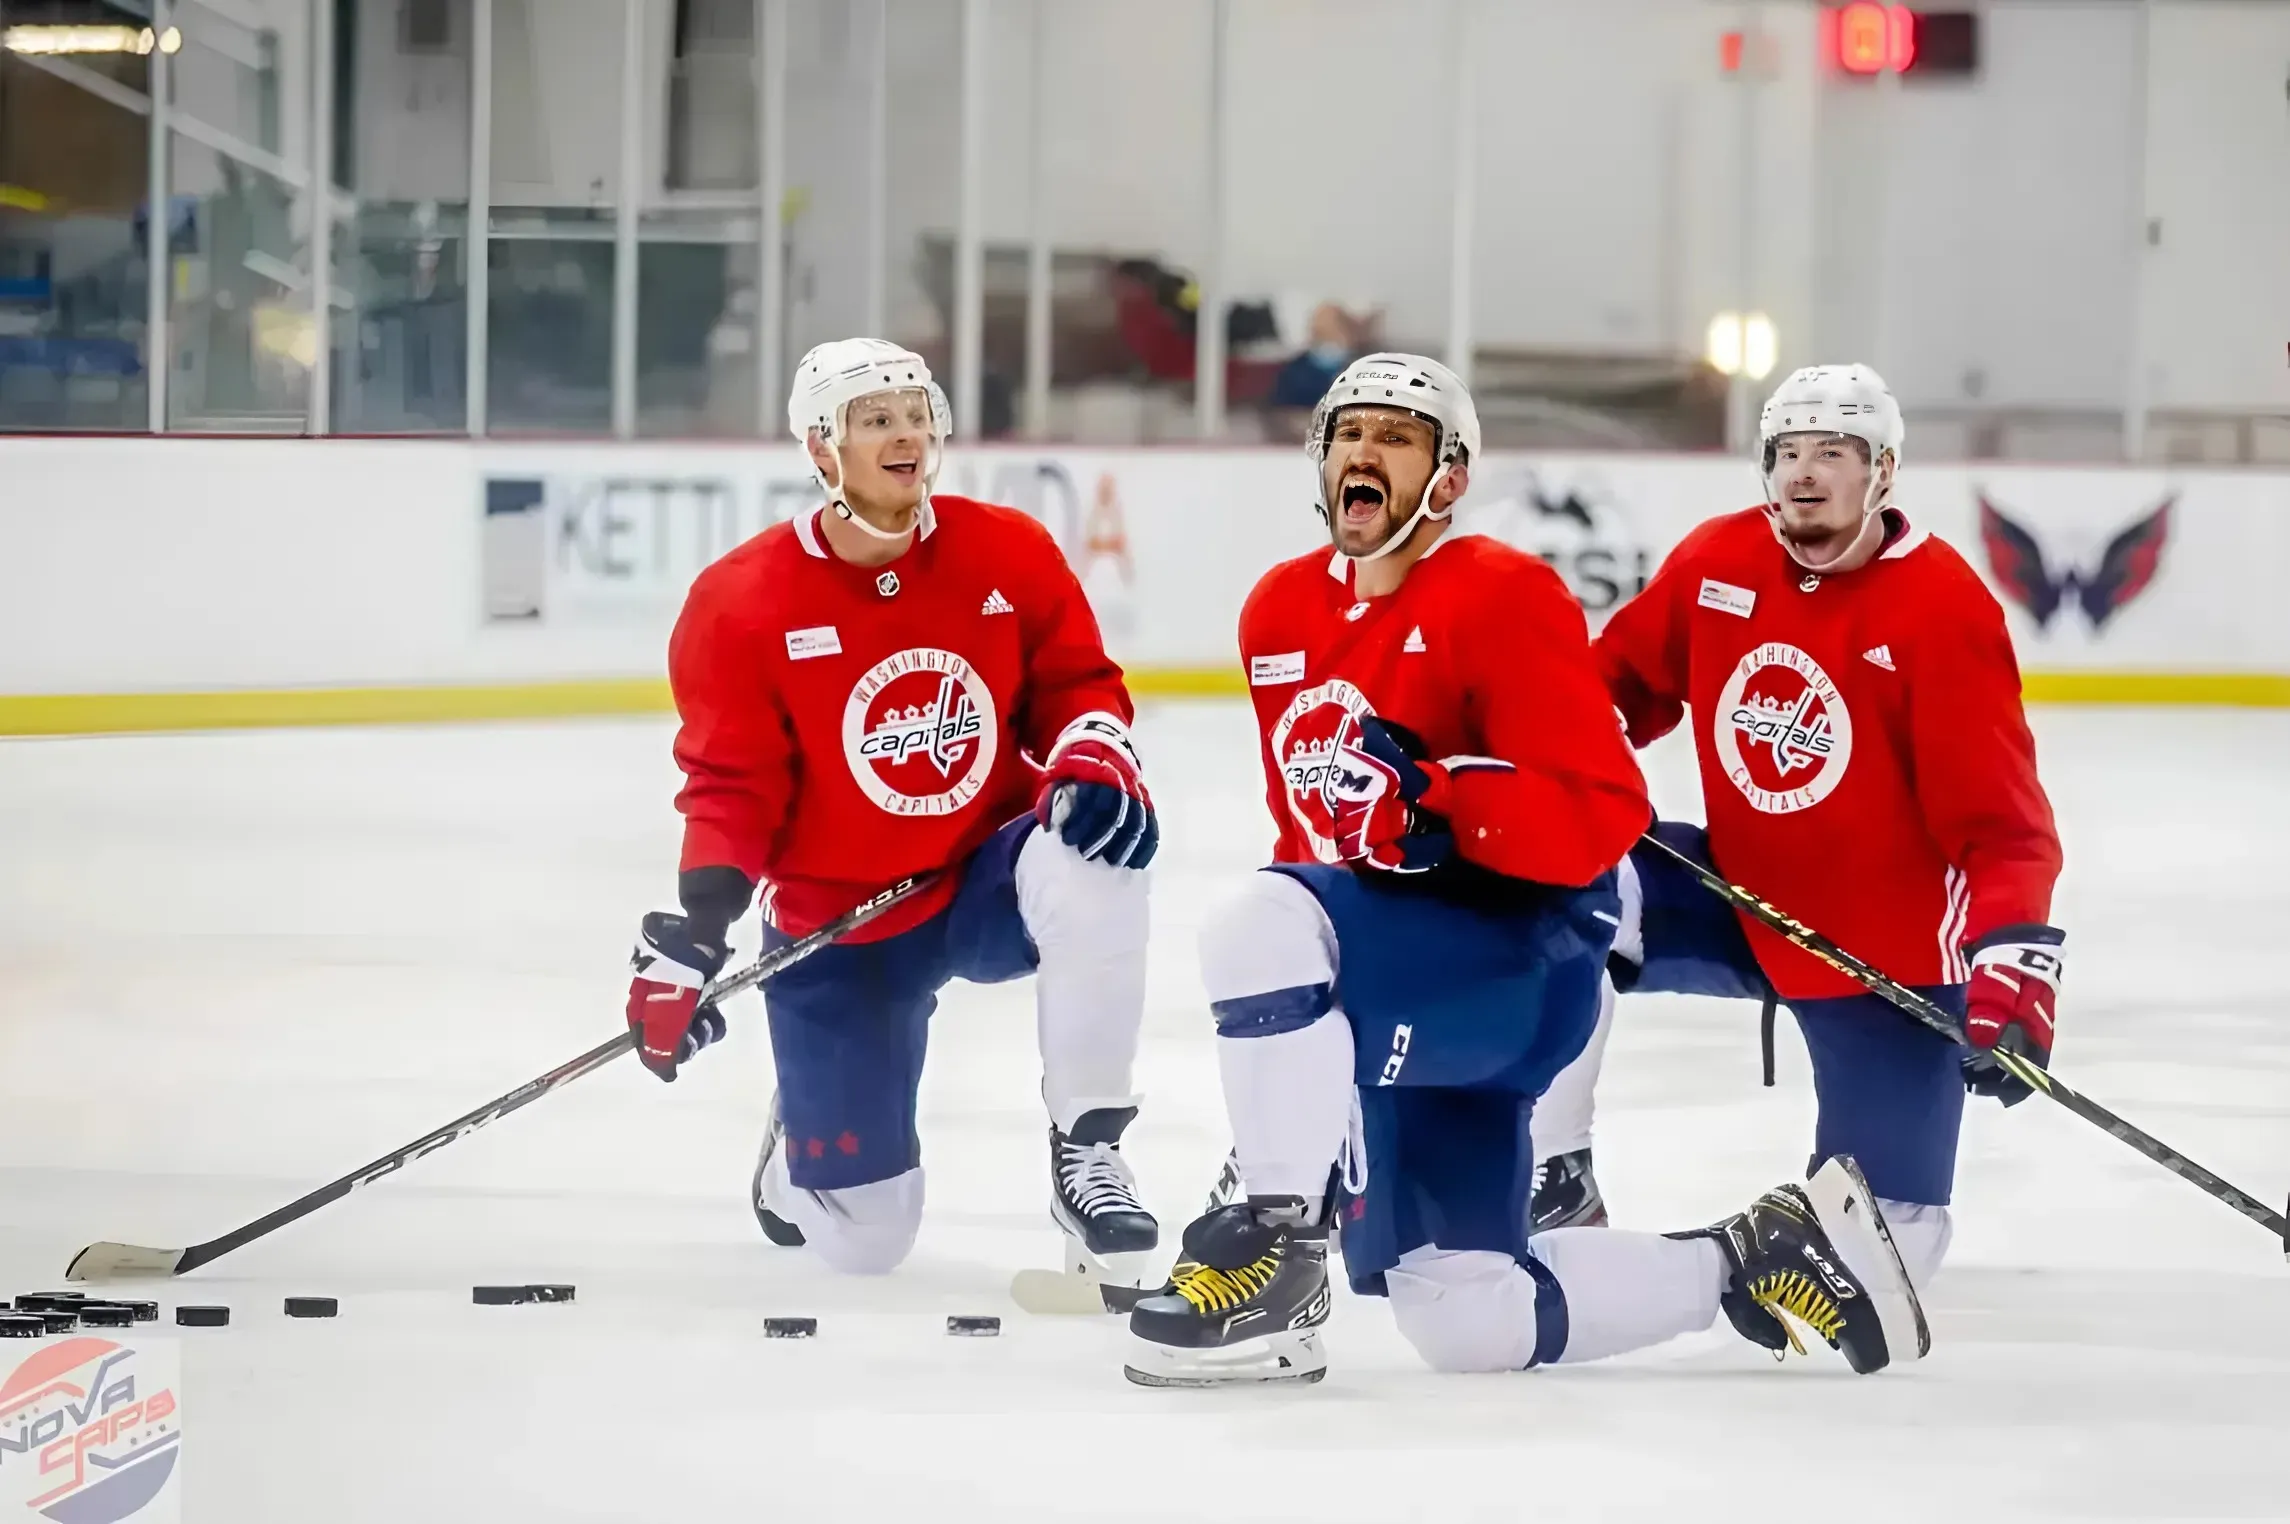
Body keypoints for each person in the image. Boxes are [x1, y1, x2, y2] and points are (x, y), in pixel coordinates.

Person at [1122, 353, 1931, 1388]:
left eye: (1399, 439)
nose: (1365, 452)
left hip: (1517, 960)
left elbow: (1601, 814)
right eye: (1348, 434)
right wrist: (1287, 1094)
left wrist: (1438, 803)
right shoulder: (1277, 615)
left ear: (1448, 478)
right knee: (1468, 1322)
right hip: (1398, 970)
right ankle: (1752, 1255)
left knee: (1251, 924)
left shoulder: (1503, 595)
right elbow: (1309, 848)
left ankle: (1276, 1246)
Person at [625, 338, 1163, 1287]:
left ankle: (1089, 1147)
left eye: (919, 414)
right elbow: (730, 784)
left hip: (979, 879)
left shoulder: (1006, 550)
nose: (907, 435)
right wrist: (697, 930)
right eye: (877, 420)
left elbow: (1079, 685)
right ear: (822, 450)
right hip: (840, 926)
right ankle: (802, 1141)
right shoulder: (740, 604)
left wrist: (1090, 751)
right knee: (864, 1242)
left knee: (1095, 854)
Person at [1549, 362, 2064, 1294]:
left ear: (1884, 472)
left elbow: (2005, 824)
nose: (1805, 473)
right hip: (1737, 895)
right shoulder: (1720, 561)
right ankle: (1556, 1171)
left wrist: (2014, 958)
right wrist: (1534, 770)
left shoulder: (1942, 607)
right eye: (1789, 451)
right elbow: (1613, 689)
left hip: (1886, 953)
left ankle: (1734, 1265)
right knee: (1549, 879)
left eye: (1834, 452)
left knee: (1885, 1254)